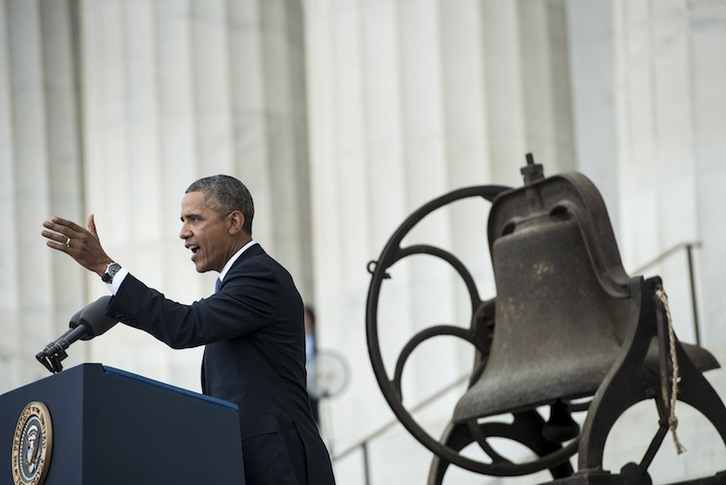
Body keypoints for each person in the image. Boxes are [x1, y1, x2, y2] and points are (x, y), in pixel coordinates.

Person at [41, 174, 336, 485]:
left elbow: (186, 326)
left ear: (234, 222)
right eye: (183, 220)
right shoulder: (238, 282)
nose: (183, 232)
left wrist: (107, 268)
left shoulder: (260, 276)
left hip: (279, 464)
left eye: (195, 219)